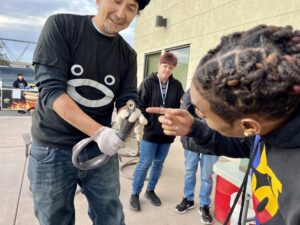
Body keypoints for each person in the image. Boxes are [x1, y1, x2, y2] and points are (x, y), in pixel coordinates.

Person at [147, 24, 300, 225]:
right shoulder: (271, 126)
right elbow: (242, 144)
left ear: (249, 126)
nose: (198, 114)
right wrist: (194, 127)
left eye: (204, 114)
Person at [28, 0, 150, 225]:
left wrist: (128, 112)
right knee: (54, 219)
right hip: (51, 148)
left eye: (131, 7)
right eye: (117, 1)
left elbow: (127, 97)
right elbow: (51, 91)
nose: (121, 13)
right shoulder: (61, 26)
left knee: (111, 217)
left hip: (99, 151)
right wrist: (99, 133)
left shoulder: (128, 55)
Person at [129, 51, 184, 211]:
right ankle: (135, 193)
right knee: (145, 163)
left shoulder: (177, 85)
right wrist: (147, 123)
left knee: (159, 164)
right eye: (165, 66)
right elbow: (140, 105)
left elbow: (181, 106)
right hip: (150, 132)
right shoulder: (148, 82)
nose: (167, 70)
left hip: (167, 133)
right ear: (159, 65)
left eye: (171, 67)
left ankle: (150, 190)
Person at [175, 89, 219, 225]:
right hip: (192, 141)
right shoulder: (193, 89)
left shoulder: (221, 90)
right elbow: (184, 110)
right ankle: (188, 199)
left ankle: (204, 204)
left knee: (207, 176)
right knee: (189, 172)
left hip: (212, 142)